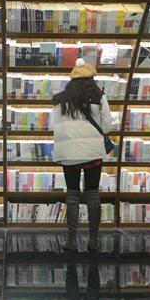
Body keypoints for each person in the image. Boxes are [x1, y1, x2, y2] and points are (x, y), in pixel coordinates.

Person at [51, 58, 113, 253]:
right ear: (91, 79)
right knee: (93, 193)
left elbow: (54, 126)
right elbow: (106, 126)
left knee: (72, 194)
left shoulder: (60, 99)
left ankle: (71, 240)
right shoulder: (99, 96)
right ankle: (93, 240)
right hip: (92, 152)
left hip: (69, 153)